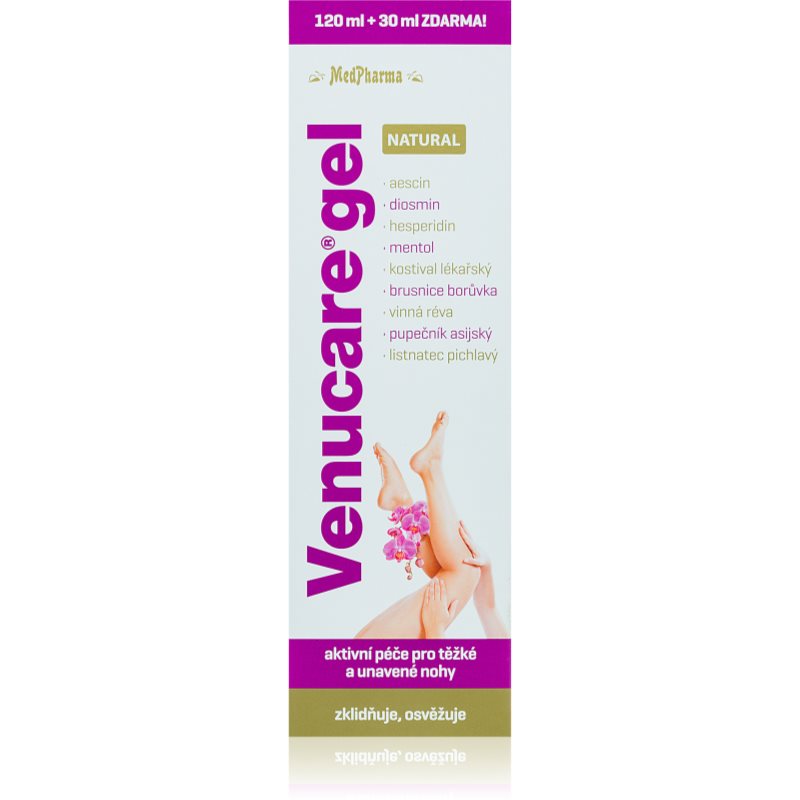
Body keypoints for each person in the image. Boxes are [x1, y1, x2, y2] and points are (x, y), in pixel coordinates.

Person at [354, 411, 480, 638]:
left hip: (367, 655)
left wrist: (435, 631)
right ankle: (403, 502)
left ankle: (429, 470)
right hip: (365, 650)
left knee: (465, 569)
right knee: (462, 570)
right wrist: (434, 629)